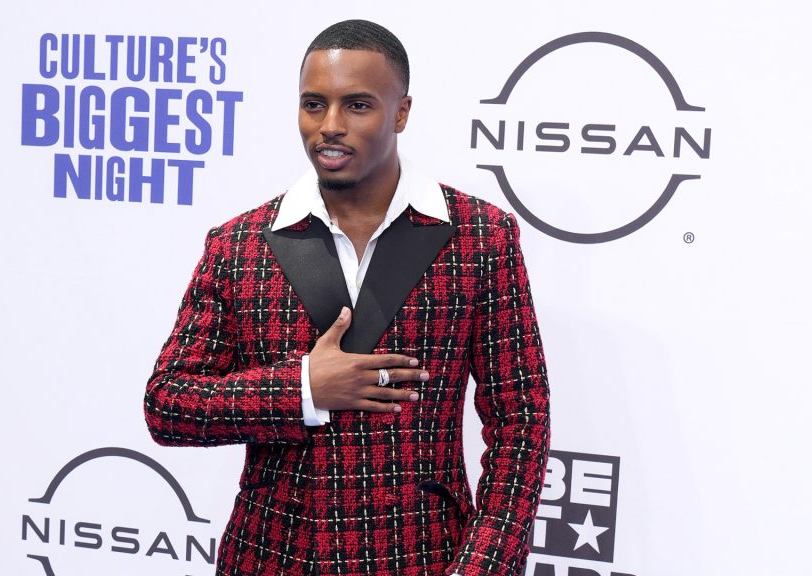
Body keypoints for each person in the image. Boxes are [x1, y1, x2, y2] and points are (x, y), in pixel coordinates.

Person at [145, 19, 550, 576]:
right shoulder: (239, 244)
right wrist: (302, 389)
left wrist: (482, 567)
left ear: (401, 113)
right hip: (271, 557)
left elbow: (522, 421)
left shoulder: (480, 237)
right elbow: (169, 404)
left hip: (424, 557)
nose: (330, 126)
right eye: (314, 105)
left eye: (357, 106)